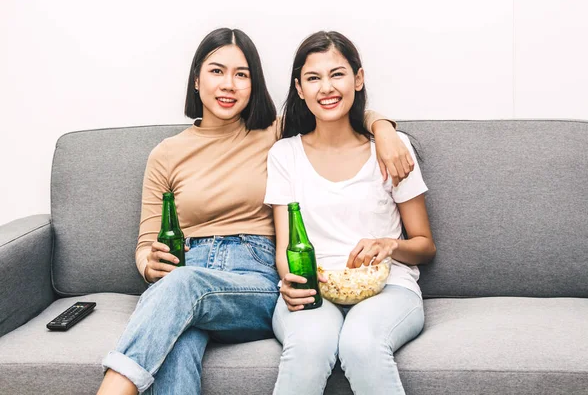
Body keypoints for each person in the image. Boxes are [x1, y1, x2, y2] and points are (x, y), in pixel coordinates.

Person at [97, 27, 415, 395]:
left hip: (255, 281)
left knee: (183, 288)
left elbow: (336, 109)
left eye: (242, 74)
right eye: (217, 71)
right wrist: (148, 264)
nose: (229, 84)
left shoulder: (275, 134)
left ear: (254, 85)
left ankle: (114, 387)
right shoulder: (165, 154)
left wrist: (384, 129)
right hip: (188, 276)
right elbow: (146, 242)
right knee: (177, 340)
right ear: (196, 79)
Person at [264, 31, 437, 395]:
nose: (326, 87)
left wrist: (389, 245)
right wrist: (291, 283)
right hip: (315, 288)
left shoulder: (391, 149)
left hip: (388, 287)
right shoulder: (285, 155)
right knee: (309, 346)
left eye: (337, 74)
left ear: (358, 79)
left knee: (361, 344)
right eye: (313, 78)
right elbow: (285, 248)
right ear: (299, 88)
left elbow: (424, 245)